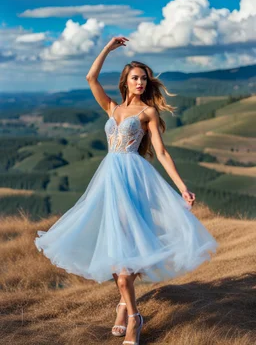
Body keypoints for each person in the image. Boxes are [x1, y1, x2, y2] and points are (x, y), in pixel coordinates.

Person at [35, 36, 218, 345]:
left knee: (124, 256)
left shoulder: (147, 113)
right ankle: (125, 305)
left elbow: (161, 154)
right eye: (135, 78)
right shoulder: (112, 108)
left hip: (133, 179)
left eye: (144, 79)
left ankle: (133, 317)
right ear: (125, 81)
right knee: (117, 247)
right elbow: (90, 78)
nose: (140, 83)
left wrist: (182, 188)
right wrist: (107, 48)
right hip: (109, 180)